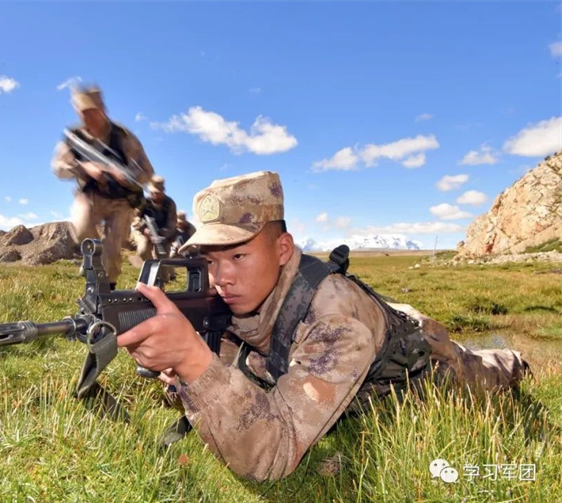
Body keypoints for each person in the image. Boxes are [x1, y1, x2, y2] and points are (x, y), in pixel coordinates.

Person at [116, 171, 530, 481]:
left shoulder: (336, 322)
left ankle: (517, 360)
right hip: (356, 339)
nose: (221, 277)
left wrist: (192, 361)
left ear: (283, 249)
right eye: (210, 261)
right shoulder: (232, 297)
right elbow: (232, 375)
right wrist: (181, 372)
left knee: (490, 372)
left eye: (238, 257)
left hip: (426, 365)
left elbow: (272, 457)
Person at [52, 85, 155, 290]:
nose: (88, 117)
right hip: (90, 196)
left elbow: (148, 171)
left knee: (112, 248)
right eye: (84, 113)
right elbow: (59, 168)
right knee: (81, 227)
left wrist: (127, 177)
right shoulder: (74, 137)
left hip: (121, 201)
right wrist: (84, 167)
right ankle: (92, 261)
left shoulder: (123, 136)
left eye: (93, 112)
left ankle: (107, 290)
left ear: (103, 109)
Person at [131, 175, 178, 262]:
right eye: (153, 192)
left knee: (162, 257)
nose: (155, 195)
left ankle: (162, 269)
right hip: (144, 232)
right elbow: (134, 217)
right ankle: (150, 265)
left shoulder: (170, 204)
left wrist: (163, 233)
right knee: (142, 250)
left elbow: (172, 223)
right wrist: (144, 229)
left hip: (163, 236)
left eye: (158, 193)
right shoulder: (144, 201)